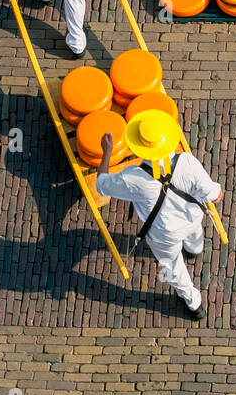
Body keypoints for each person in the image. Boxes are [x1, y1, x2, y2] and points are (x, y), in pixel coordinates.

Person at [94, 110, 222, 320]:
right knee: (193, 235)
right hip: (192, 218)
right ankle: (195, 248)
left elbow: (101, 185)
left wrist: (106, 152)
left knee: (172, 266)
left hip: (165, 233)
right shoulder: (187, 162)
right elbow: (215, 195)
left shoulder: (133, 179)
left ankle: (194, 303)